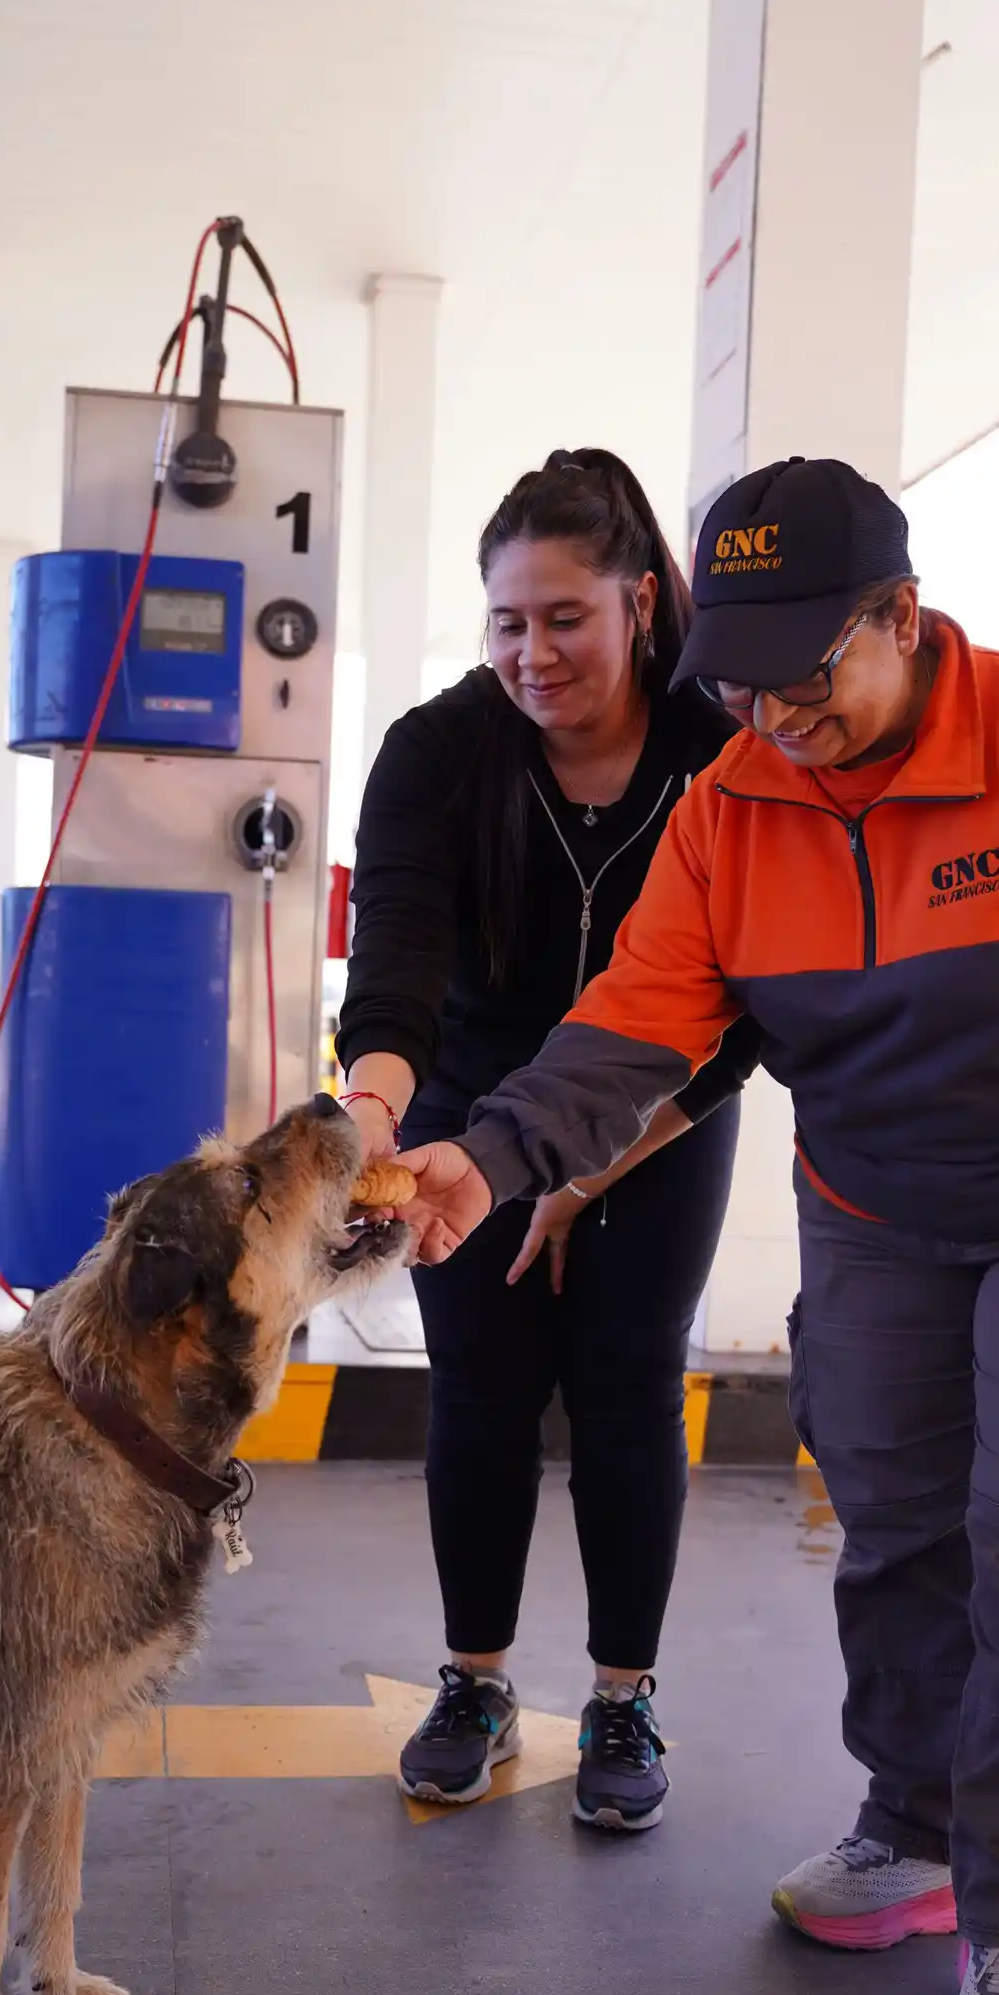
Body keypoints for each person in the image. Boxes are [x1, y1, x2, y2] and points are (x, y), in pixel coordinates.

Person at [392, 454, 999, 1995]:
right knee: (895, 1517)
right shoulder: (734, 802)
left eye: (811, 673)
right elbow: (639, 1024)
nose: (776, 712)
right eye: (744, 677)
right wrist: (490, 1158)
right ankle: (916, 1829)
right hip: (873, 1207)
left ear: (904, 620)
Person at [336, 448, 760, 1830]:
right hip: (467, 1105)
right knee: (480, 1386)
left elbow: (752, 1006)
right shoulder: (439, 752)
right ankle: (475, 1680)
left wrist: (592, 1175)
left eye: (565, 617)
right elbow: (395, 967)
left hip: (668, 1109)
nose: (533, 653)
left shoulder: (724, 751)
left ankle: (623, 1694)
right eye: (508, 622)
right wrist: (374, 1118)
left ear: (641, 602)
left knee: (633, 1384)